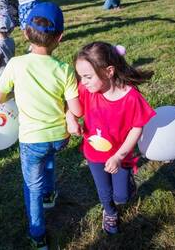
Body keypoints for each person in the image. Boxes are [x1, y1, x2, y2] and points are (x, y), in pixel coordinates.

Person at [0, 2, 82, 249]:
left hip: (32, 140)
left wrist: (14, 93)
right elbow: (77, 110)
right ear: (60, 37)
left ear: (24, 33)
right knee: (50, 159)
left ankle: (37, 235)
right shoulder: (64, 69)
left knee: (31, 186)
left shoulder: (15, 65)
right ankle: (50, 195)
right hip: (59, 137)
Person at [66, 42, 156, 235]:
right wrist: (70, 119)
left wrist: (119, 156)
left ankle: (126, 187)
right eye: (80, 77)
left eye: (87, 77)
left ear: (109, 72)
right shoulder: (86, 91)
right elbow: (71, 107)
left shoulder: (131, 97)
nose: (82, 82)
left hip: (121, 156)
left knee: (122, 196)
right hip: (94, 154)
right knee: (104, 191)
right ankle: (110, 212)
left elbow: (137, 128)